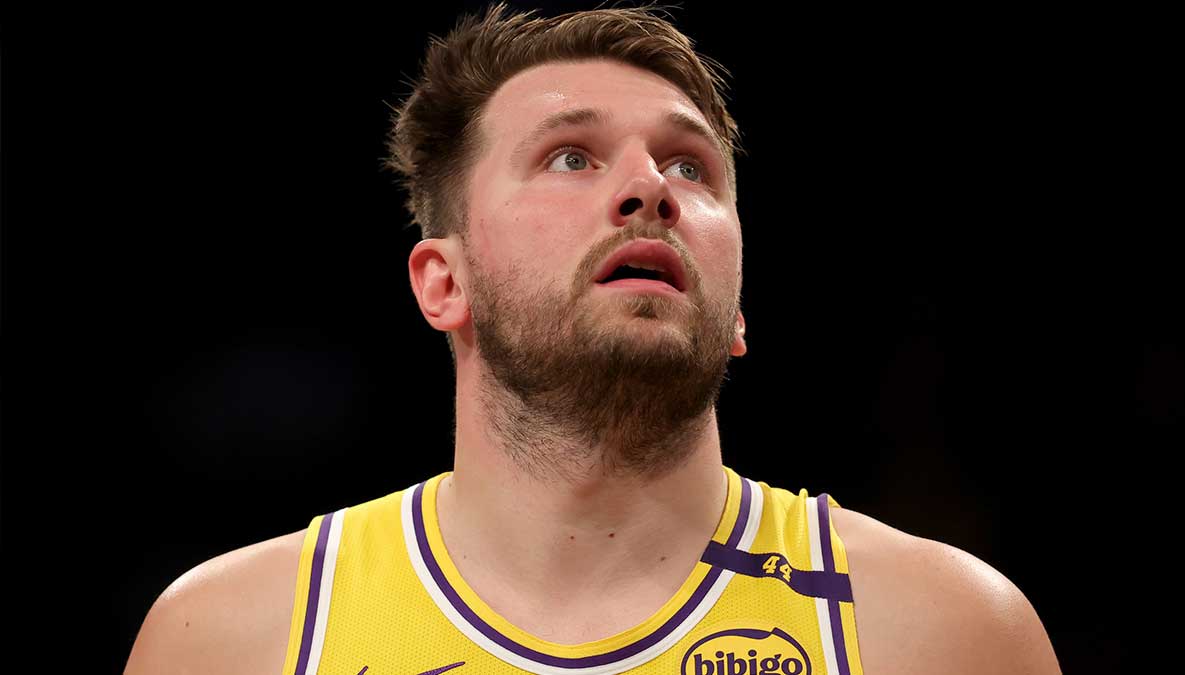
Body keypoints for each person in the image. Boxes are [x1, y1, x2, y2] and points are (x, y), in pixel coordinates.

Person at [124, 4, 1062, 674]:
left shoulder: (943, 634)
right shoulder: (236, 637)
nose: (648, 187)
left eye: (689, 166)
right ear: (443, 281)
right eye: (569, 156)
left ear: (736, 308)